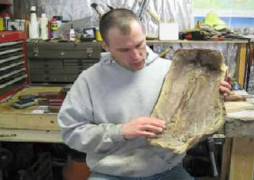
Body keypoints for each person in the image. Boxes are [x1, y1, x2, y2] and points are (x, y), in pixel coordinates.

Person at [58, 8, 231, 180]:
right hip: (112, 173)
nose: (136, 56)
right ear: (106, 46)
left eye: (139, 44)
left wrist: (209, 94)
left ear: (144, 34)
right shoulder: (89, 80)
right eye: (124, 50)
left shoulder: (173, 71)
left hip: (167, 170)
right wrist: (120, 132)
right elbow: (71, 131)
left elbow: (191, 124)